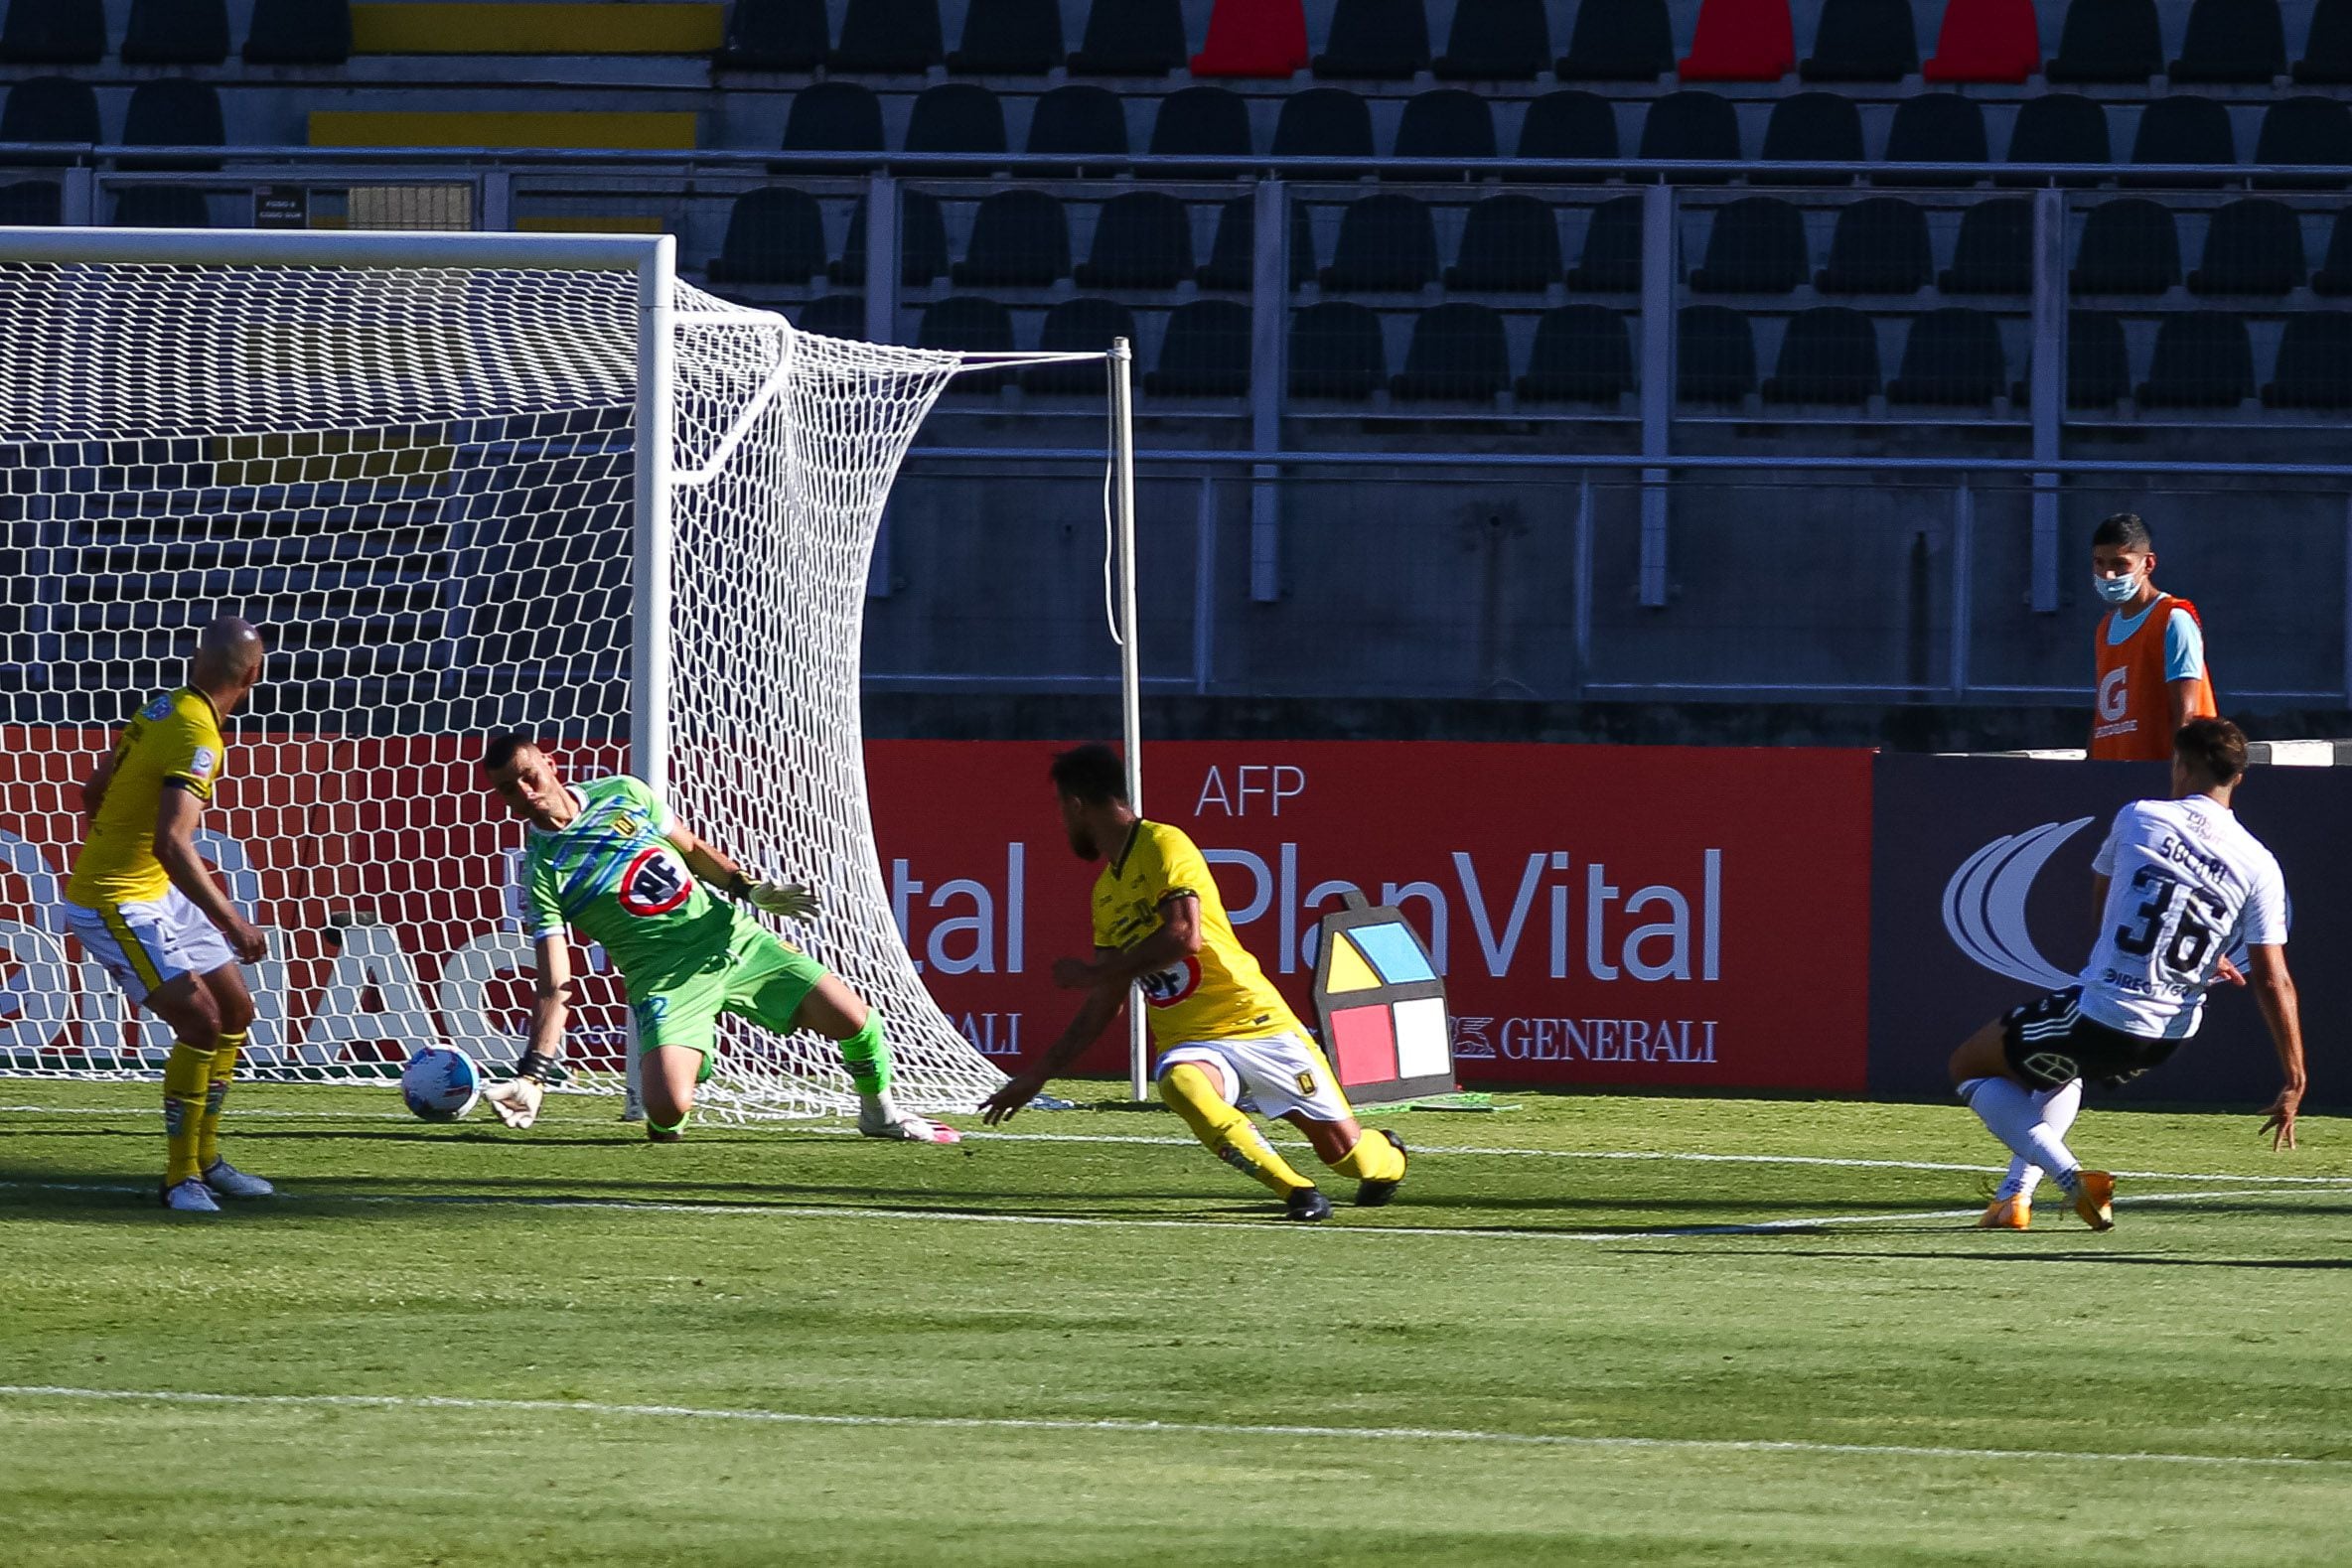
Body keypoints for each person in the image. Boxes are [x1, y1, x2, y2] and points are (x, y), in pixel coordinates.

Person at [979, 744, 1405, 1221]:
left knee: (1347, 1156)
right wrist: (1039, 1074)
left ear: (1076, 805)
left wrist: (1093, 974)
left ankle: (1387, 1157)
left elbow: (1184, 935)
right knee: (1180, 1083)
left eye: (1061, 809)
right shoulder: (1105, 894)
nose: (1062, 822)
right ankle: (1297, 1192)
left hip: (1255, 1019)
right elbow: (1106, 1001)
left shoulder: (1163, 844)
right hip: (1191, 1040)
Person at [475, 735, 956, 1144]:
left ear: (550, 765)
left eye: (528, 776)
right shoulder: (542, 871)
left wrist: (751, 890)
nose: (523, 793)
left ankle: (880, 1114)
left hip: (731, 939)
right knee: (665, 1111)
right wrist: (533, 1073)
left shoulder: (623, 793)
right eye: (508, 791)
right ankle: (686, 1059)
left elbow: (691, 850)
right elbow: (554, 983)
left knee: (856, 1020)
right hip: (664, 978)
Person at [1950, 718, 2304, 1231]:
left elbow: (2108, 905)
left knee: (1970, 1066)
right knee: (2060, 1070)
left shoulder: (2141, 816)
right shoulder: (2260, 863)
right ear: (2239, 778)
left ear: (2179, 765)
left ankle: (2075, 1181)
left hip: (2108, 1008)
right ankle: (2013, 1199)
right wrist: (2295, 1076)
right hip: (2169, 1034)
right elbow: (2275, 979)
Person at [62, 616, 272, 1212]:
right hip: (115, 899)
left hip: (150, 887)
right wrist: (234, 921)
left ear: (195, 663)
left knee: (236, 1008)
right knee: (201, 1020)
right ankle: (182, 1178)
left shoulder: (164, 707)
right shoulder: (199, 737)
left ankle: (208, 1158)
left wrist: (115, 839)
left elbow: (93, 791)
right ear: (254, 675)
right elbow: (173, 844)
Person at [2090, 512, 2218, 762]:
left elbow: (2187, 714)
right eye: (2099, 563)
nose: (2108, 575)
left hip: (2157, 775)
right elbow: (2102, 714)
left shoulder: (2173, 618)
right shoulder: (2105, 627)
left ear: (2148, 564)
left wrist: (2177, 776)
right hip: (2112, 772)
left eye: (2119, 564)